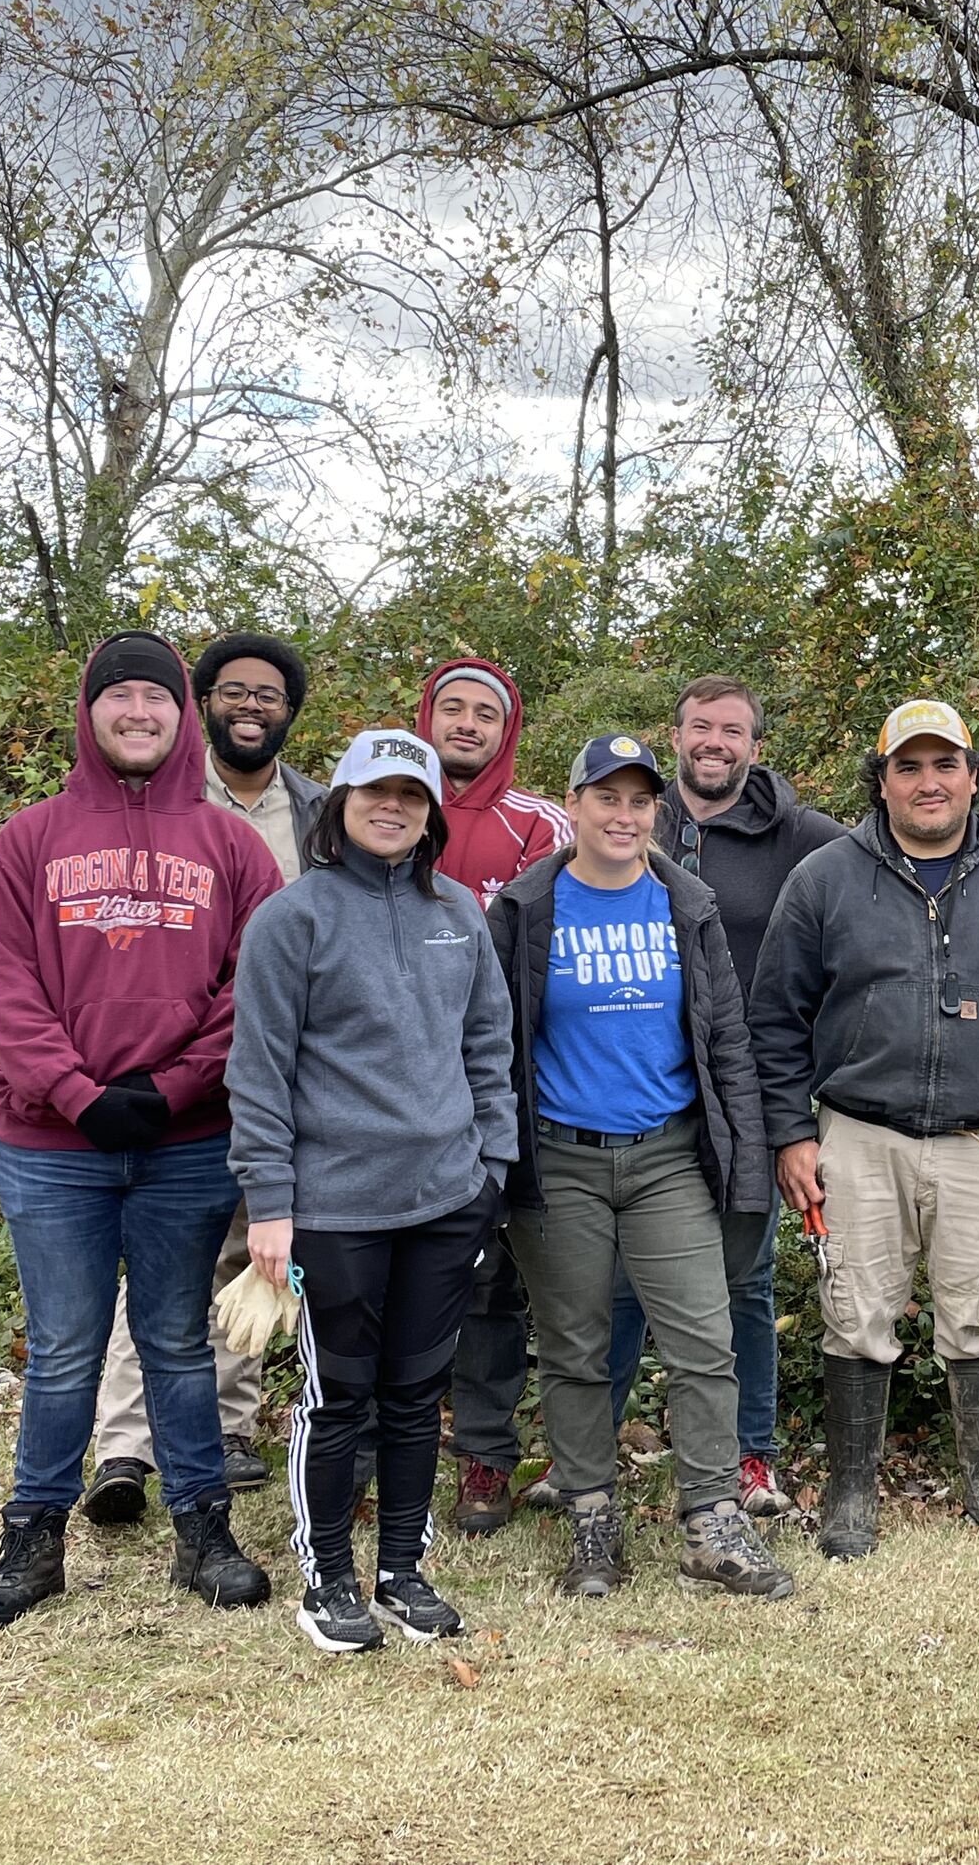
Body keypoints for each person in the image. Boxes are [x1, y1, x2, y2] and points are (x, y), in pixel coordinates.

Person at [0, 631, 283, 1631]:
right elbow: (6, 991)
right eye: (119, 698)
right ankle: (31, 1545)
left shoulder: (232, 847)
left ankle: (204, 1533)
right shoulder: (27, 841)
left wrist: (174, 1081)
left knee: (178, 1342)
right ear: (89, 713)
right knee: (63, 1348)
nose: (138, 713)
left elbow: (255, 986)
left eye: (156, 699)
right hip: (52, 1148)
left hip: (187, 1144)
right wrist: (79, 1093)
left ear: (182, 715)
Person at [749, 699, 979, 1559]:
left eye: (945, 765)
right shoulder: (824, 878)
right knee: (855, 1311)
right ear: (883, 780)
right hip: (858, 1134)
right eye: (909, 766)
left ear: (973, 775)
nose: (928, 783)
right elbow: (775, 1020)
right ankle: (852, 1493)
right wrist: (792, 1132)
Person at [226, 728, 518, 1655]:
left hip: (445, 1199)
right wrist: (270, 1203)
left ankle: (400, 1567)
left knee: (413, 1392)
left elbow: (488, 1048)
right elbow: (259, 1074)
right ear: (339, 805)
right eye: (373, 792)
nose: (392, 808)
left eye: (411, 795)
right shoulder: (291, 919)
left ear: (430, 814)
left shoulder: (459, 913)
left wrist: (492, 1169)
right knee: (336, 1394)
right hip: (333, 1208)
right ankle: (328, 1577)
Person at [489, 734, 791, 1600]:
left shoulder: (684, 903)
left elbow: (726, 1036)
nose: (624, 816)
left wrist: (749, 1152)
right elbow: (492, 1041)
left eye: (638, 801)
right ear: (574, 804)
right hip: (559, 1158)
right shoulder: (524, 906)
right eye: (607, 798)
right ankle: (592, 1516)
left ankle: (710, 1521)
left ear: (654, 812)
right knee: (578, 1347)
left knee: (705, 1340)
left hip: (666, 1156)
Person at [84, 632, 324, 1524]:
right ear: (202, 704)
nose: (252, 706)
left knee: (253, 1247)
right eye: (233, 692)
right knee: (158, 1257)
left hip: (274, 1070)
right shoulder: (164, 798)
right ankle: (123, 1443)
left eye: (270, 694)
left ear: (289, 711)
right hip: (169, 1071)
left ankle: (226, 1425)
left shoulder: (319, 810)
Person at [593, 676, 846, 1518]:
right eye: (700, 726)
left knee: (741, 1283)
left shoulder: (802, 839)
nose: (715, 741)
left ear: (755, 746)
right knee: (619, 1282)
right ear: (675, 736)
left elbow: (862, 917)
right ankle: (590, 1457)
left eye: (732, 729)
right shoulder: (630, 822)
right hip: (639, 1089)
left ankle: (748, 1457)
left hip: (745, 1096)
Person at [413, 657, 572, 1534]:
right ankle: (364, 1452)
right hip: (390, 1090)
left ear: (506, 729)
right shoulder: (383, 804)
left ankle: (483, 1454)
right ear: (426, 716)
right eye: (453, 709)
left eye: (485, 713)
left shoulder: (536, 823)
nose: (466, 724)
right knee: (380, 1279)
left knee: (489, 1282)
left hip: (503, 1083)